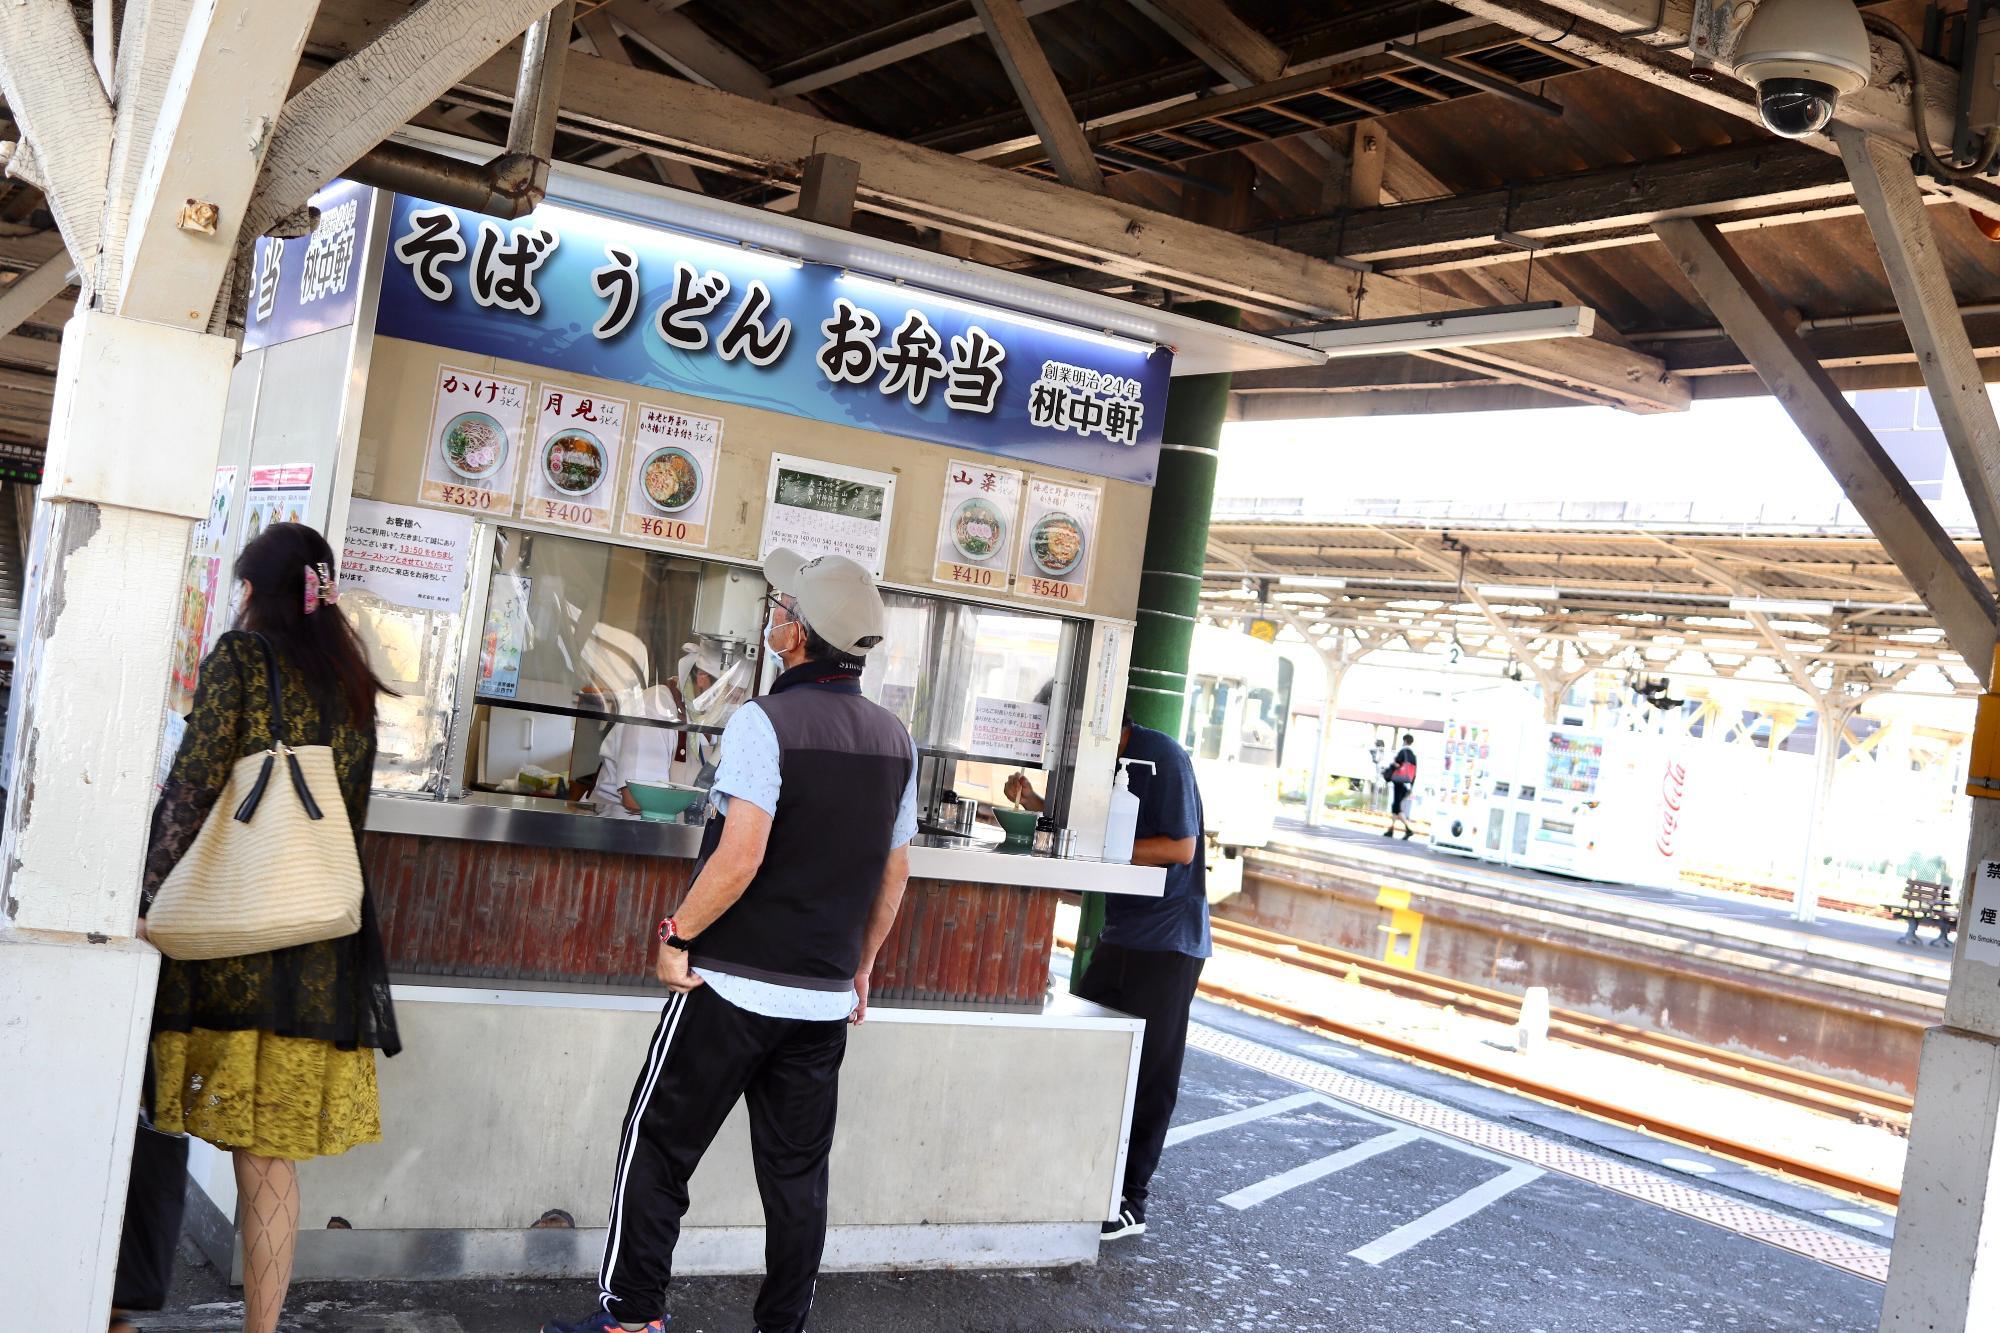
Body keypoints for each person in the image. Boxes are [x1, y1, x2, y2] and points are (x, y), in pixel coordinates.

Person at [544, 548, 917, 1333]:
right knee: (797, 1180)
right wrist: (863, 967)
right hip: (818, 1000)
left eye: (783, 606)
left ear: (798, 634)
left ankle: (632, 1317)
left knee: (656, 1147)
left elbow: (739, 854)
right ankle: (781, 1327)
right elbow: (894, 874)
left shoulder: (765, 721)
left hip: (729, 989)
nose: (773, 615)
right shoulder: (895, 740)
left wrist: (676, 932)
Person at [136, 523, 398, 1333]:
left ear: (254, 589)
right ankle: (263, 1328)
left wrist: (143, 892)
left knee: (148, 1116)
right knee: (268, 1154)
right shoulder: (351, 680)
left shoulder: (243, 660)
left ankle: (113, 1300)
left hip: (236, 938)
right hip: (319, 945)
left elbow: (194, 782)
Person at [1004, 711, 1208, 1241]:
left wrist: (1098, 851)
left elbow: (1179, 848)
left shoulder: (1162, 756)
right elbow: (1094, 833)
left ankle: (1131, 1201)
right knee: (1090, 1055)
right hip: (1121, 933)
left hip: (1168, 941)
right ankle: (1084, 1180)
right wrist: (1035, 806)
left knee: (1151, 1072)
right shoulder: (1099, 764)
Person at [1385, 732, 1419, 840]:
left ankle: (1408, 829)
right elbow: (1414, 773)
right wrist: (1412, 786)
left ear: (1404, 741)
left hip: (1399, 782)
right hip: (1407, 783)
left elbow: (1397, 765)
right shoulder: (1413, 756)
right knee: (1395, 806)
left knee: (1396, 807)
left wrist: (1392, 764)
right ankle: (1391, 829)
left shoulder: (1402, 752)